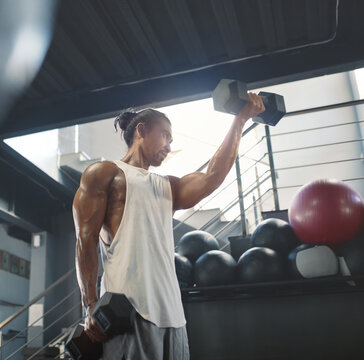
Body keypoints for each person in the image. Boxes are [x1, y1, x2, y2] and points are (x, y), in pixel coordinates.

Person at [73, 93, 265, 359]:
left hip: (174, 316)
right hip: (130, 311)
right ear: (141, 130)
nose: (169, 145)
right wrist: (90, 305)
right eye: (165, 135)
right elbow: (85, 240)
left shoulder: (168, 187)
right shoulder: (105, 173)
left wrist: (241, 119)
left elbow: (211, 176)